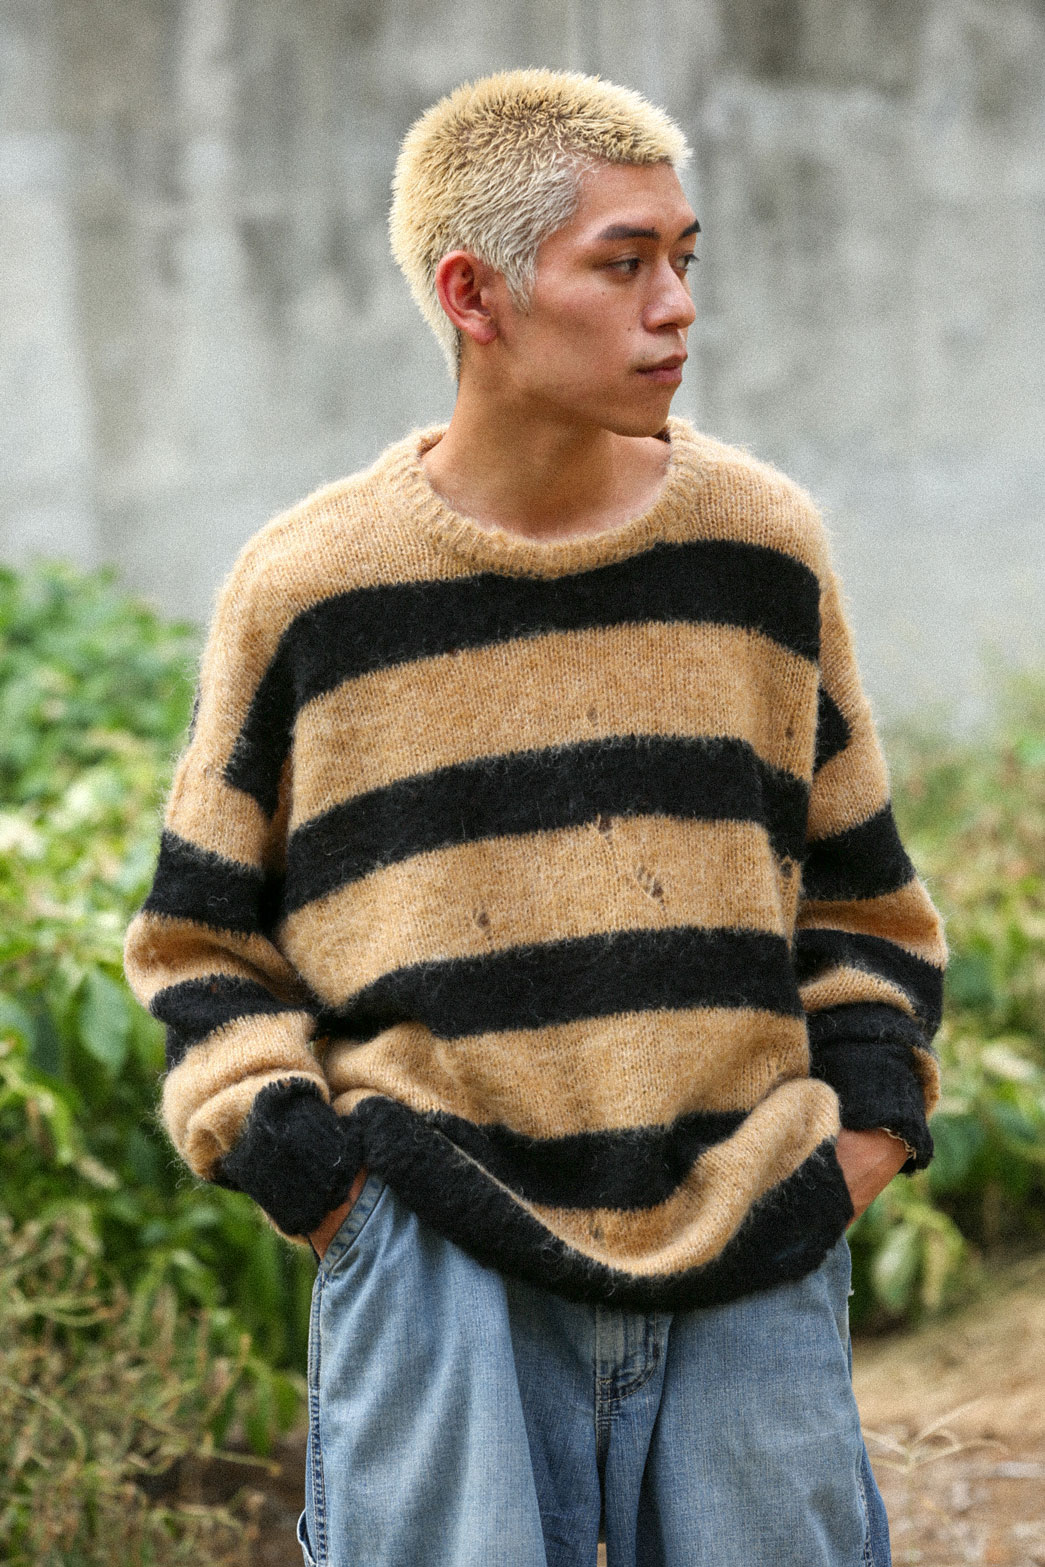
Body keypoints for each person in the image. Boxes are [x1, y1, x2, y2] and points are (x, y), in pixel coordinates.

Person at [124, 68, 946, 1567]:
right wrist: (328, 1186)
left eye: (683, 257)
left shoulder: (759, 549)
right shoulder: (310, 590)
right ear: (473, 294)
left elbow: (860, 896)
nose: (675, 307)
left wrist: (870, 1127)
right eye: (622, 264)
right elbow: (198, 941)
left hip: (752, 1244)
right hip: (438, 1263)